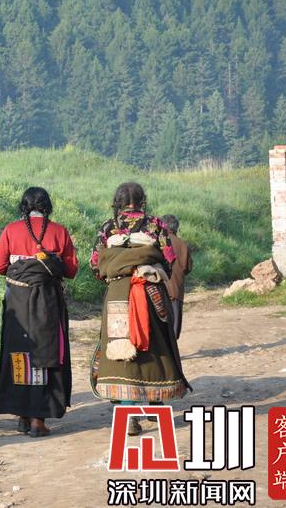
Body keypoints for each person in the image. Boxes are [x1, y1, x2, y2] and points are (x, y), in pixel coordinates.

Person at [89, 183, 190, 436]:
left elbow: (95, 264)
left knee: (121, 348)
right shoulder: (155, 225)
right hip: (149, 290)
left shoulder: (108, 228)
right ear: (142, 201)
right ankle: (155, 404)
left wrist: (116, 275)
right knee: (154, 344)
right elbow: (169, 260)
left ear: (117, 202)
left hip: (117, 294)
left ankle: (129, 414)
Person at [0, 187, 78, 438]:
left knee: (20, 353)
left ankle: (22, 415)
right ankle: (38, 419)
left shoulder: (11, 230)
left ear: (24, 206)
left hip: (18, 302)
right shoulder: (59, 231)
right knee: (46, 354)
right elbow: (71, 270)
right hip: (48, 303)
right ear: (47, 206)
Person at [161, 214, 192, 339]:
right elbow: (187, 268)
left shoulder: (156, 242)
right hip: (176, 288)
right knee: (174, 325)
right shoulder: (182, 244)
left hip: (157, 288)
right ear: (176, 228)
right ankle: (172, 348)